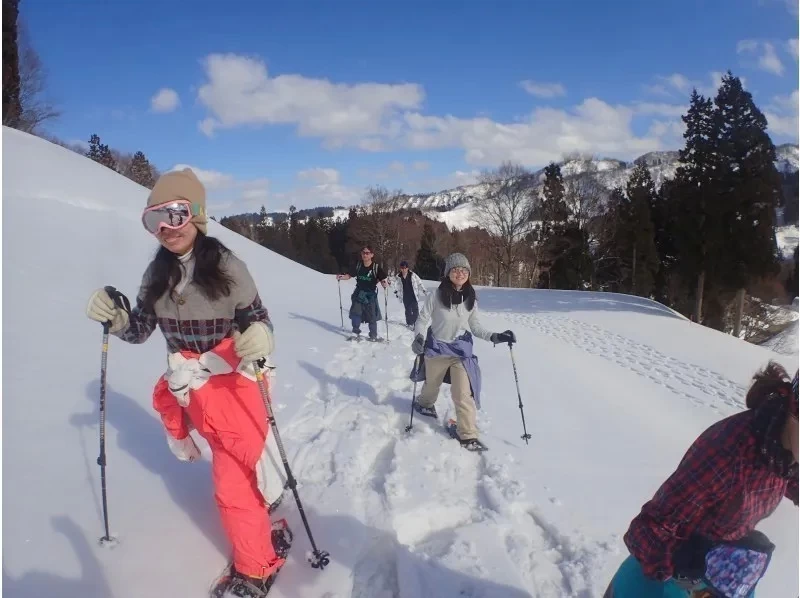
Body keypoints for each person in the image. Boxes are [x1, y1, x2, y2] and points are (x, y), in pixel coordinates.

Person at [85, 168, 289, 598]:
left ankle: (256, 568)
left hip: (235, 385)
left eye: (175, 215)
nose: (165, 228)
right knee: (192, 423)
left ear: (197, 215)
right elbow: (140, 330)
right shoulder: (156, 275)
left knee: (231, 483)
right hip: (189, 387)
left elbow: (259, 319)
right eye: (153, 219)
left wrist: (259, 335)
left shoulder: (230, 267)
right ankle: (261, 496)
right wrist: (117, 318)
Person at [604, 362, 799, 598]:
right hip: (664, 580)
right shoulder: (728, 453)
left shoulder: (784, 448)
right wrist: (688, 578)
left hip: (727, 569)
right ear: (793, 410)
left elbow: (788, 476)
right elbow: (648, 531)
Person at [410, 253, 516, 451]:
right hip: (437, 348)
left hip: (461, 351)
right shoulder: (436, 295)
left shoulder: (471, 298)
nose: (460, 273)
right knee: (431, 386)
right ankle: (424, 404)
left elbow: (475, 327)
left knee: (463, 394)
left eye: (464, 270)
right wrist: (419, 337)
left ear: (469, 273)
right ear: (448, 273)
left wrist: (496, 337)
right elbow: (423, 319)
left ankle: (467, 434)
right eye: (455, 269)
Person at [336, 245, 388, 341]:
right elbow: (349, 275)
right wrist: (341, 277)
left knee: (372, 316)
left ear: (372, 255)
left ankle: (373, 336)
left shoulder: (376, 267)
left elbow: (382, 279)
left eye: (367, 253)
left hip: (370, 295)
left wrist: (384, 284)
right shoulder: (358, 265)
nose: (365, 255)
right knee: (356, 313)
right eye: (363, 253)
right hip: (359, 293)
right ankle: (355, 333)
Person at [393, 260, 428, 328]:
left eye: (405, 268)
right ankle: (409, 323)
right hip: (405, 296)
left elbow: (419, 282)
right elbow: (395, 284)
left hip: (413, 295)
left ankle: (416, 324)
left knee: (415, 310)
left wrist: (423, 289)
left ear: (407, 268)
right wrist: (395, 290)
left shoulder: (412, 275)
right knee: (408, 310)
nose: (403, 269)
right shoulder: (398, 276)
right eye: (402, 268)